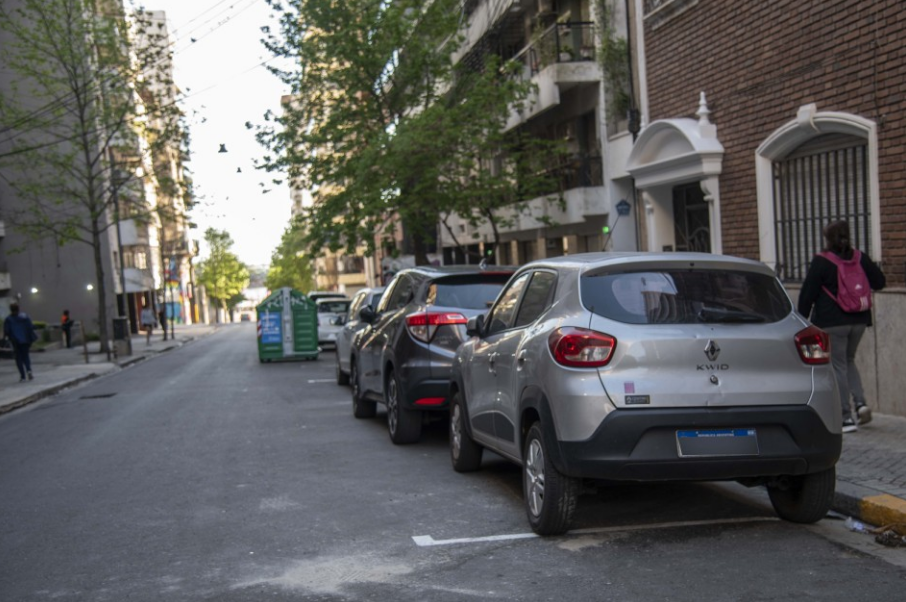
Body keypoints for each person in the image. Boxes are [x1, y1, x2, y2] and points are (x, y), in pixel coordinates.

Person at [798, 220, 886, 433]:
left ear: (827, 239)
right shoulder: (860, 257)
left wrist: (801, 319)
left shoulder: (821, 261)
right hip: (859, 320)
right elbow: (880, 282)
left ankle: (845, 417)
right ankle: (861, 403)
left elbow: (808, 293)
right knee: (849, 360)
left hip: (832, 322)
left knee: (838, 365)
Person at [3, 303, 37, 382]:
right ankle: (29, 370)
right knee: (26, 356)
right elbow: (30, 327)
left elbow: (7, 330)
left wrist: (5, 338)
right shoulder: (25, 317)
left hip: (15, 341)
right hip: (25, 340)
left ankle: (22, 376)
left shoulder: (8, 319)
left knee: (18, 358)